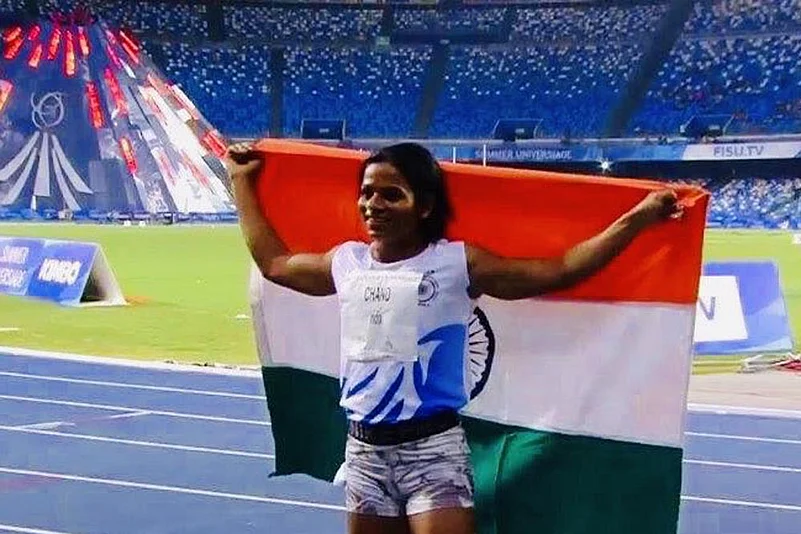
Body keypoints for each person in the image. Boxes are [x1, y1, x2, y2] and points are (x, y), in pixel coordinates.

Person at [225, 141, 681, 534]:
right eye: (366, 193)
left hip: (433, 453)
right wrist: (241, 181)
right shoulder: (346, 263)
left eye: (391, 194)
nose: (373, 205)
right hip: (364, 453)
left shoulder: (457, 264)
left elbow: (559, 271)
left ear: (424, 206)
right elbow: (275, 265)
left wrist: (636, 219)